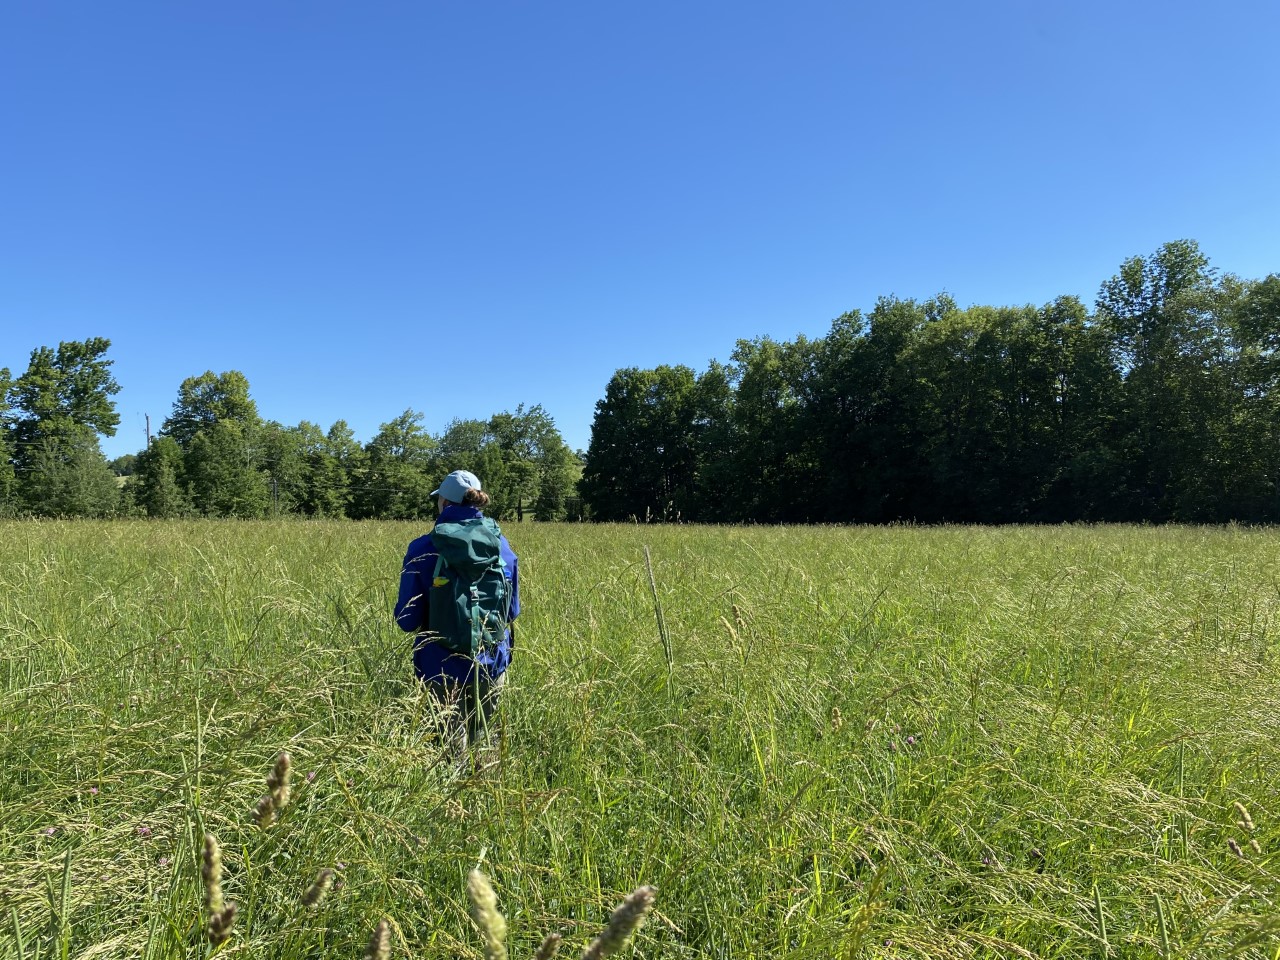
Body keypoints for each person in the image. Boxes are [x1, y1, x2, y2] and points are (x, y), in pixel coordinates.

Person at [394, 469, 520, 755]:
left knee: (451, 750)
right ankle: (484, 795)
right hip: (491, 660)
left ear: (444, 504)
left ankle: (453, 795)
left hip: (440, 663)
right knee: (483, 743)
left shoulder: (423, 548)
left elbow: (407, 619)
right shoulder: (503, 548)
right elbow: (511, 612)